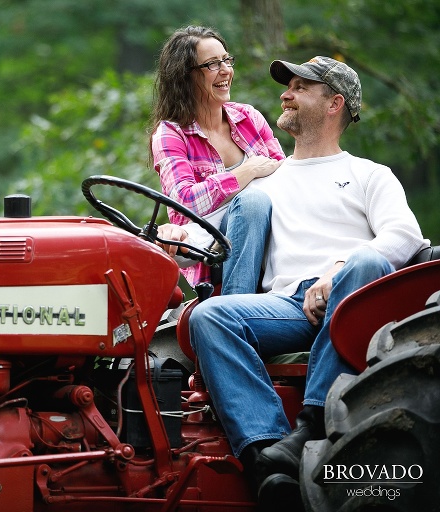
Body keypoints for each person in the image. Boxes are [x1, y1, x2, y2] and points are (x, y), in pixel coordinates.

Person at [183, 56, 429, 511]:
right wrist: (175, 238)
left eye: (301, 87)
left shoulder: (369, 175)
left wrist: (334, 274)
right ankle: (266, 457)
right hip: (289, 308)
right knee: (210, 315)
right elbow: (203, 237)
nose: (285, 94)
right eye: (288, 85)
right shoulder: (267, 181)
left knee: (363, 260)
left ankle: (311, 425)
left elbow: (404, 236)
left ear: (335, 104)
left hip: (354, 299)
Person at [149, 26, 285, 294]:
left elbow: (285, 176)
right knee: (251, 202)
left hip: (277, 241)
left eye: (226, 60)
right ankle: (233, 306)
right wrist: (245, 173)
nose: (225, 70)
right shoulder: (171, 134)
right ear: (185, 77)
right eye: (212, 64)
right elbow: (185, 201)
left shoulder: (249, 117)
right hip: (215, 257)